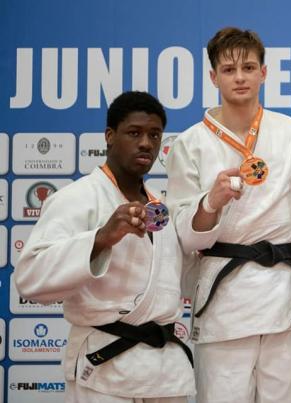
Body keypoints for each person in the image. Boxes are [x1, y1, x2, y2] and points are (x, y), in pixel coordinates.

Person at [14, 91, 196, 402]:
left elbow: (178, 278)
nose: (146, 143)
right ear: (110, 136)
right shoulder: (77, 198)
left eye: (154, 135)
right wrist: (101, 238)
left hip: (164, 370)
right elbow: (29, 278)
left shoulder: (160, 208)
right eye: (134, 133)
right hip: (105, 365)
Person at [165, 27, 291, 403]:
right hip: (224, 299)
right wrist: (210, 203)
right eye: (229, 70)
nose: (240, 77)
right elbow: (184, 237)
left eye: (248, 67)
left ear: (264, 72)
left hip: (284, 294)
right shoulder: (190, 144)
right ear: (214, 77)